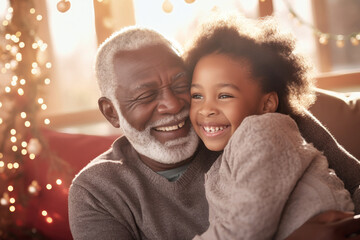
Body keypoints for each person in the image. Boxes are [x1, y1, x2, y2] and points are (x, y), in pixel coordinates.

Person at [68, 24, 360, 239]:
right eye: (145, 96)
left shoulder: (259, 115)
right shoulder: (96, 192)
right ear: (111, 112)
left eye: (182, 86)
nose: (171, 104)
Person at [185, 14, 355, 240]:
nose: (206, 109)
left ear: (267, 104)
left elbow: (246, 227)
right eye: (197, 95)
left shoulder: (264, 132)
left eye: (224, 95)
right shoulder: (222, 162)